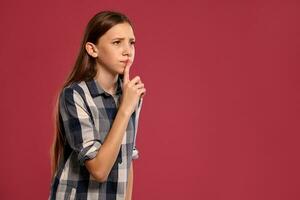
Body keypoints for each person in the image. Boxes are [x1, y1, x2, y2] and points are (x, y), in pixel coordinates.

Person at [49, 10, 146, 200]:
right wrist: (125, 109)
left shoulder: (130, 95)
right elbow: (99, 171)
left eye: (131, 42)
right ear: (93, 49)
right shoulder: (74, 95)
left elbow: (126, 159)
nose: (128, 50)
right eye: (117, 42)